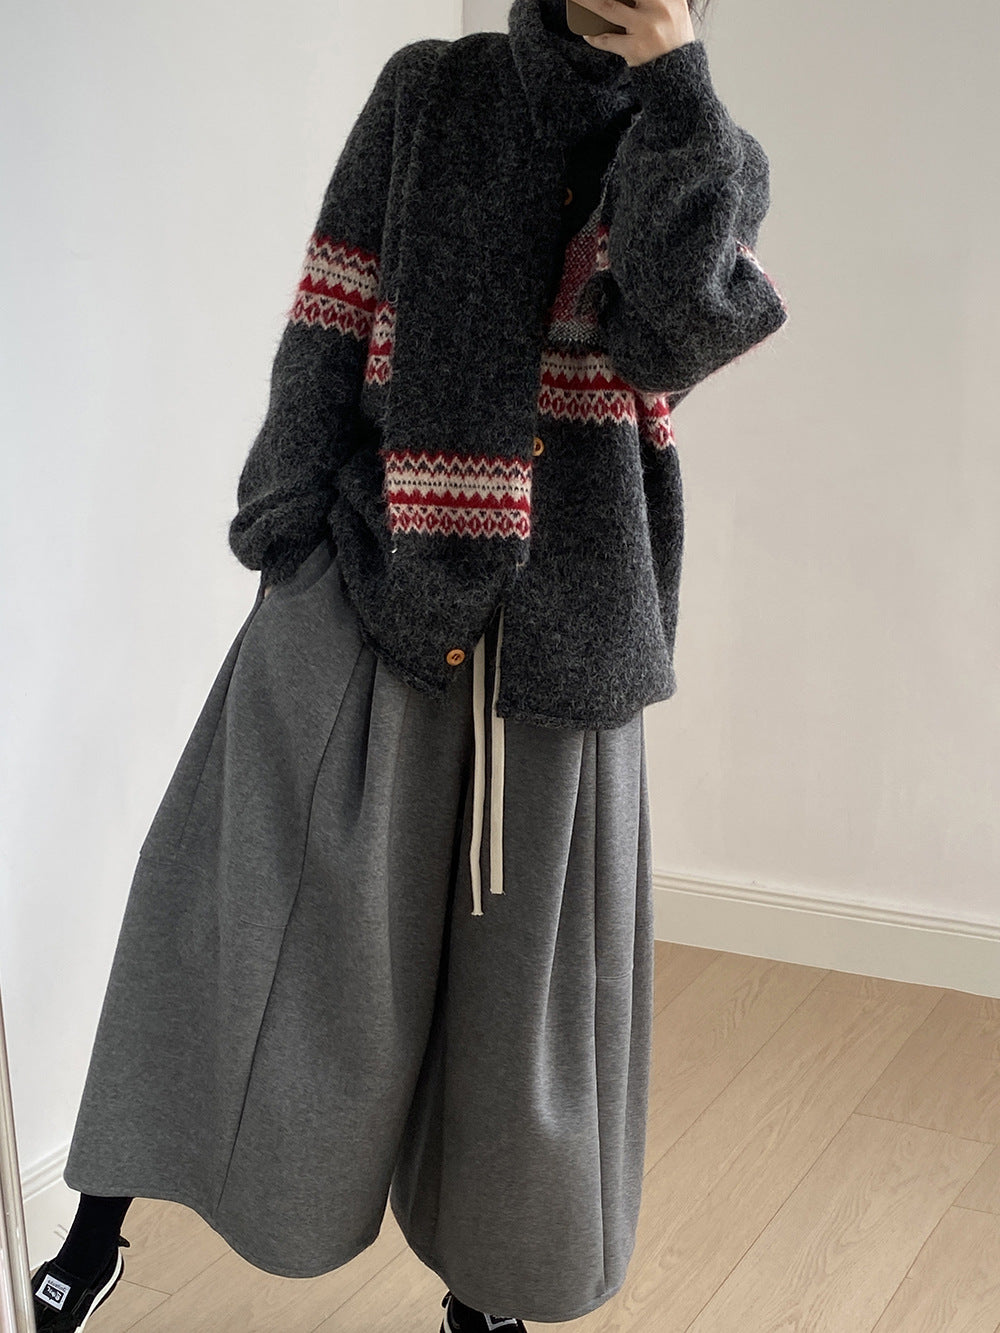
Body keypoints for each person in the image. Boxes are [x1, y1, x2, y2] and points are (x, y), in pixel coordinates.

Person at [32, 0, 787, 1329]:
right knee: (229, 917)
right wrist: (285, 529)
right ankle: (92, 1235)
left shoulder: (705, 149)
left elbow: (675, 338)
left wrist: (677, 92)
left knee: (526, 1007)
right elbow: (333, 310)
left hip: (569, 642)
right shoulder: (430, 91)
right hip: (375, 582)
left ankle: (485, 1298)